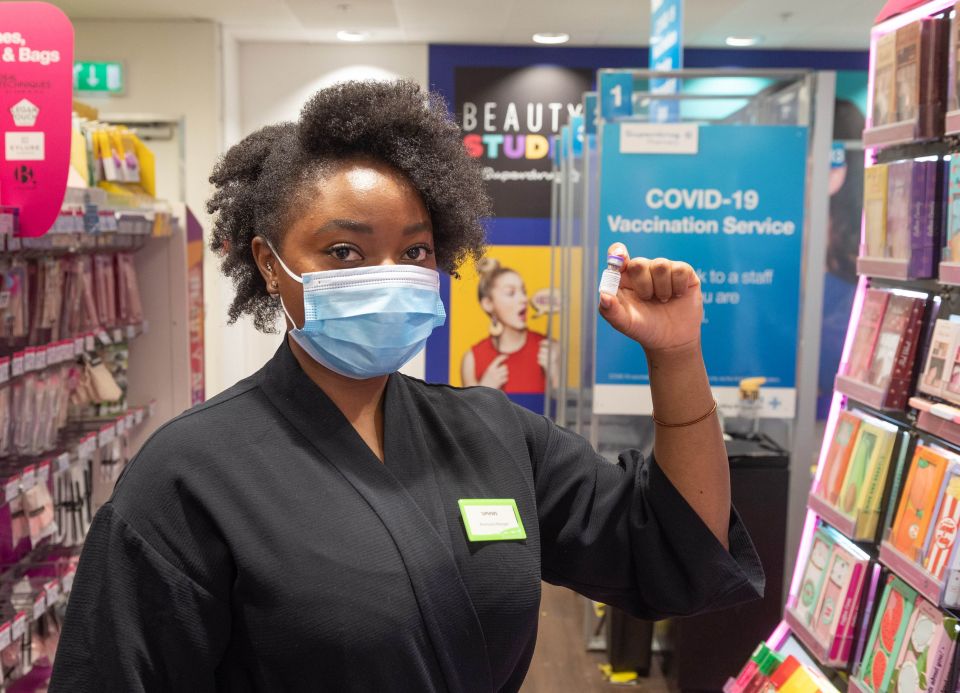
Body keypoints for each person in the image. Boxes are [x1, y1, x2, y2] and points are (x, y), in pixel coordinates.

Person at [49, 80, 763, 692]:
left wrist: (676, 357)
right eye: (344, 251)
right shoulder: (186, 479)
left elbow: (677, 551)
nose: (388, 272)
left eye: (415, 250)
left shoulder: (493, 432)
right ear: (270, 264)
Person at [461, 257, 553, 393]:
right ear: (488, 304)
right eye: (511, 293)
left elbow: (566, 408)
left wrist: (554, 374)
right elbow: (468, 414)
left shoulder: (549, 350)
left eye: (524, 292)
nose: (523, 299)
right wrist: (484, 390)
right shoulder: (471, 360)